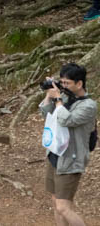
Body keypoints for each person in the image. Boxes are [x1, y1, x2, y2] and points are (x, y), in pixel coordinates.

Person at [40, 62, 97, 226]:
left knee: (63, 207)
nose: (63, 86)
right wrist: (49, 95)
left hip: (70, 160)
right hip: (55, 155)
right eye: (61, 82)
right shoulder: (64, 97)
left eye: (67, 83)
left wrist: (58, 99)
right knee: (55, 201)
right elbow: (45, 112)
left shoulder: (88, 105)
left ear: (79, 84)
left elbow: (67, 120)